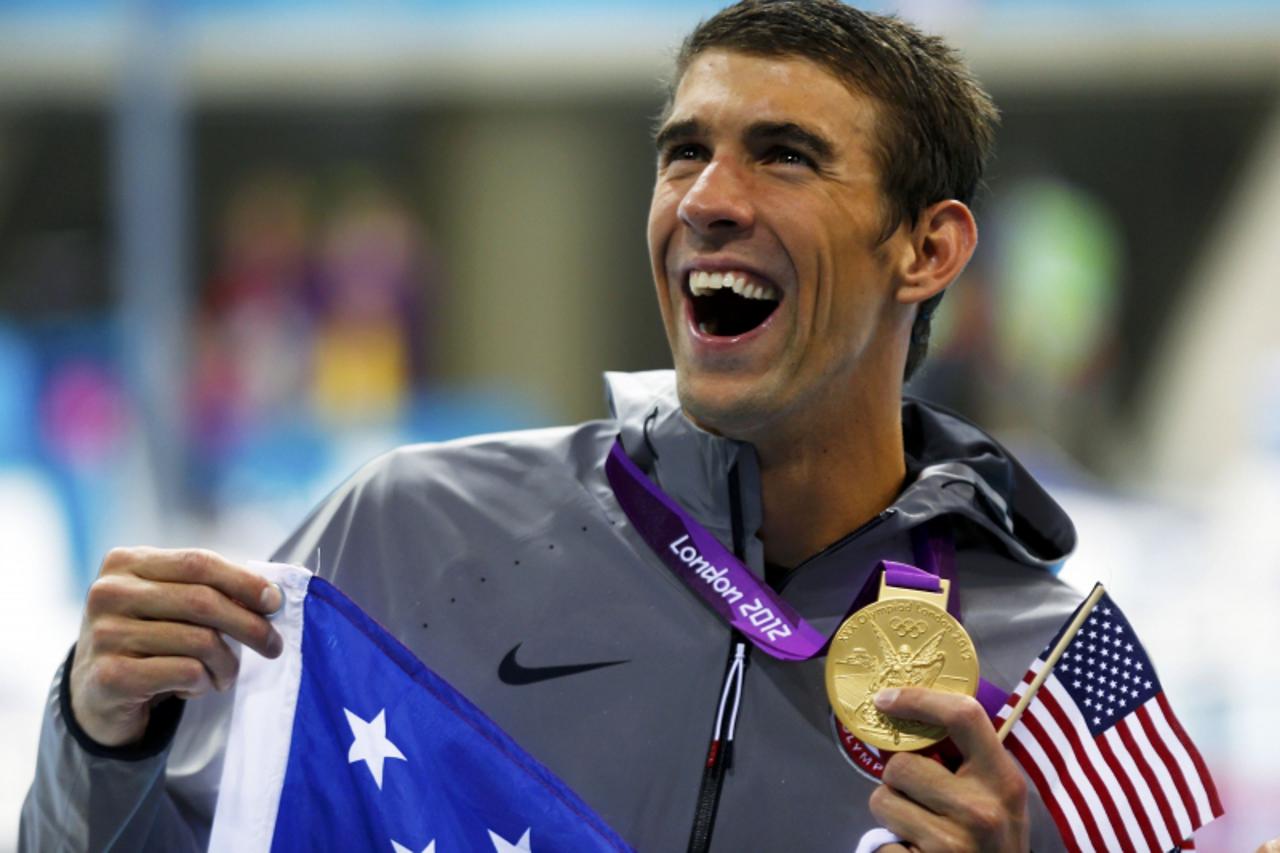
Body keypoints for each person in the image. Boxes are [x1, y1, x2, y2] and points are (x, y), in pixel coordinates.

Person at [22, 2, 1091, 850]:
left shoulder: (1049, 669)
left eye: (783, 155)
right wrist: (100, 736)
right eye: (682, 153)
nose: (706, 199)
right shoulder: (408, 532)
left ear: (927, 250)